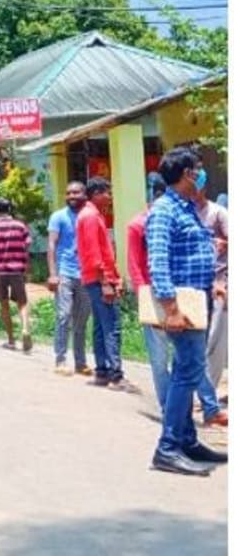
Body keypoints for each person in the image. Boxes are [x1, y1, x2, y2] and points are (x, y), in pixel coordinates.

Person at [146, 147, 226, 476]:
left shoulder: (187, 207)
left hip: (197, 301)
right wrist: (171, 309)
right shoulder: (164, 210)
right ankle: (167, 448)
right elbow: (158, 262)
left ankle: (187, 441)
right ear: (185, 174)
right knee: (188, 372)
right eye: (197, 170)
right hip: (181, 306)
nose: (201, 175)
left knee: (187, 368)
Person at [76, 177, 132, 390]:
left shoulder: (90, 215)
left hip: (96, 279)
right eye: (108, 193)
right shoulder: (90, 216)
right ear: (97, 194)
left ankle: (102, 371)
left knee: (100, 327)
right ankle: (115, 375)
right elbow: (93, 253)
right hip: (99, 279)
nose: (110, 197)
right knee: (111, 327)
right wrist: (106, 282)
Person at [129, 174, 172, 412]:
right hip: (152, 294)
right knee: (159, 356)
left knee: (185, 354)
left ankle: (180, 402)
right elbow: (135, 265)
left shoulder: (175, 219)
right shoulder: (138, 225)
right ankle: (167, 405)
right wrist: (143, 296)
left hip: (178, 294)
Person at [47, 182, 92, 376]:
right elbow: (51, 244)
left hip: (86, 274)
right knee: (63, 316)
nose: (71, 196)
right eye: (68, 193)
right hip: (65, 272)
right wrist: (53, 274)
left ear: (84, 194)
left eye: (76, 192)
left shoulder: (90, 216)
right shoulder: (58, 217)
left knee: (81, 320)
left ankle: (80, 362)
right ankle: (61, 360)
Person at [196, 182, 229, 412]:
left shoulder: (218, 213)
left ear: (203, 189)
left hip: (219, 283)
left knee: (214, 340)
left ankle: (207, 394)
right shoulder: (187, 212)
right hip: (197, 285)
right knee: (198, 340)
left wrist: (222, 243)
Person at [0, 198, 33, 352]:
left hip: (0, 270)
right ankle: (25, 329)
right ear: (10, 209)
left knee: (4, 304)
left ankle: (11, 340)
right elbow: (26, 247)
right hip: (18, 269)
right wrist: (27, 268)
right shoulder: (21, 226)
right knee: (22, 303)